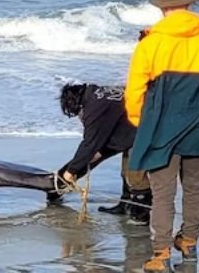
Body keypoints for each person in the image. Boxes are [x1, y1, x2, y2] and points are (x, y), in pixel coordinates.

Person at [125, 0, 199, 273]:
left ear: (163, 9)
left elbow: (134, 89)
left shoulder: (150, 43)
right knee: (194, 187)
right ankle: (189, 241)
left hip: (160, 124)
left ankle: (161, 254)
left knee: (163, 192)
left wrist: (139, 121)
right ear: (189, 6)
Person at [51, 82, 150, 224]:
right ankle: (125, 204)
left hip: (146, 128)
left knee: (135, 174)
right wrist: (99, 152)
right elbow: (111, 132)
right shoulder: (98, 94)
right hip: (135, 125)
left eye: (78, 113)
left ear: (78, 104)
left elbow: (89, 144)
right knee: (125, 171)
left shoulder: (95, 108)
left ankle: (141, 214)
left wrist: (70, 171)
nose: (80, 117)